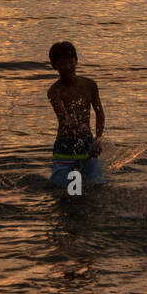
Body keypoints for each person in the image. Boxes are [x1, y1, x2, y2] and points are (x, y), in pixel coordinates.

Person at [47, 41, 105, 188]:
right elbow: (64, 118)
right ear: (54, 66)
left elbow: (99, 113)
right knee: (63, 191)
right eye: (62, 64)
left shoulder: (90, 85)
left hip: (86, 143)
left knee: (96, 186)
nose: (67, 67)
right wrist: (79, 126)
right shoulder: (55, 91)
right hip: (65, 146)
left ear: (76, 61)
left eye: (70, 62)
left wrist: (98, 139)